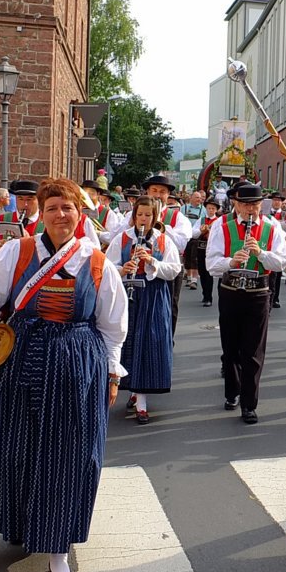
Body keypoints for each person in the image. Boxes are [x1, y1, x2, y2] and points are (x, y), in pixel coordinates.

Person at [0, 177, 128, 572]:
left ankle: (58, 547)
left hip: (74, 366)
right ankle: (20, 521)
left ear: (79, 214)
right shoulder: (16, 251)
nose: (60, 215)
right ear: (42, 214)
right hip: (18, 361)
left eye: (67, 208)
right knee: (15, 448)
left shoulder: (96, 262)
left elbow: (113, 327)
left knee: (67, 456)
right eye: (52, 208)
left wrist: (112, 373)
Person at [206, 183, 286, 423]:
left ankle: (249, 404)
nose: (250, 209)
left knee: (253, 351)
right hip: (231, 290)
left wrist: (260, 253)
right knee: (230, 348)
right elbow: (211, 264)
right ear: (236, 204)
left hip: (259, 292)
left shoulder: (271, 228)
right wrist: (231, 262)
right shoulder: (222, 227)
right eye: (245, 204)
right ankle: (232, 392)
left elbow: (281, 262)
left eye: (254, 204)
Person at [106, 196, 181, 425]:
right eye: (140, 215)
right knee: (129, 343)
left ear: (154, 217)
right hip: (129, 295)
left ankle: (142, 402)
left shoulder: (162, 240)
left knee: (149, 344)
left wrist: (152, 262)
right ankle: (135, 391)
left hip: (154, 296)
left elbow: (174, 269)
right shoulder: (123, 238)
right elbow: (107, 266)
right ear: (134, 215)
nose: (144, 219)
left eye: (148, 215)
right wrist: (122, 269)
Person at [142, 175, 193, 336]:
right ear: (147, 192)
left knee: (169, 304)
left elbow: (181, 244)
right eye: (154, 191)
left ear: (167, 195)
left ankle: (167, 341)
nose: (157, 195)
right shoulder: (136, 213)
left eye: (162, 192)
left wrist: (161, 226)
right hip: (142, 266)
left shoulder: (178, 217)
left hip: (169, 266)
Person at [0, 180, 43, 269]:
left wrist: (29, 243)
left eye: (29, 199)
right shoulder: (0, 221)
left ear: (38, 200)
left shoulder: (47, 223)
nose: (25, 204)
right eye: (20, 199)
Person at [194, 196, 223, 307]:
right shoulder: (200, 220)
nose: (211, 210)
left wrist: (210, 232)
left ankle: (208, 297)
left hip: (212, 249)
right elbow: (193, 234)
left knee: (208, 273)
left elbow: (221, 236)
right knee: (202, 272)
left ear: (216, 210)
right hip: (201, 248)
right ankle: (204, 294)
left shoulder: (219, 221)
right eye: (209, 208)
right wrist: (201, 231)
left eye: (213, 208)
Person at [268, 193, 286, 308]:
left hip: (280, 246)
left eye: (279, 200)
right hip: (267, 245)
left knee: (277, 275)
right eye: (275, 200)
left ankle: (275, 298)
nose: (277, 202)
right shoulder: (266, 215)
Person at [181, 190, 207, 290]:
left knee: (194, 257)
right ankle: (188, 276)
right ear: (191, 198)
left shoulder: (203, 210)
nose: (199, 200)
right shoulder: (184, 208)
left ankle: (194, 280)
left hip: (197, 237)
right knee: (186, 256)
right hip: (186, 235)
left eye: (200, 198)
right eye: (197, 198)